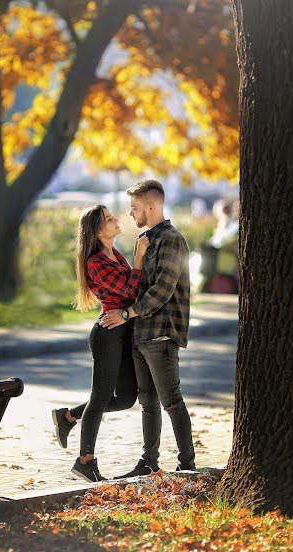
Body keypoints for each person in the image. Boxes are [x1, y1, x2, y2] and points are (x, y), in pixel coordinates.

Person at [100, 179, 196, 477]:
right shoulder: (145, 240)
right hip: (142, 332)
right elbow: (136, 285)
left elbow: (162, 290)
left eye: (134, 207)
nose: (130, 213)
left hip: (162, 333)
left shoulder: (171, 240)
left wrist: (127, 313)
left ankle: (187, 465)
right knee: (148, 403)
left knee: (171, 401)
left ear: (150, 206)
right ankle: (148, 462)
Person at [52, 205, 149, 483]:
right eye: (108, 219)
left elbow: (133, 290)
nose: (115, 219)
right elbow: (130, 289)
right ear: (97, 231)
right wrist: (139, 257)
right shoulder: (96, 261)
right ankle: (85, 461)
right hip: (107, 334)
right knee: (101, 396)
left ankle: (68, 416)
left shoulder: (114, 254)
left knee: (126, 398)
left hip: (123, 330)